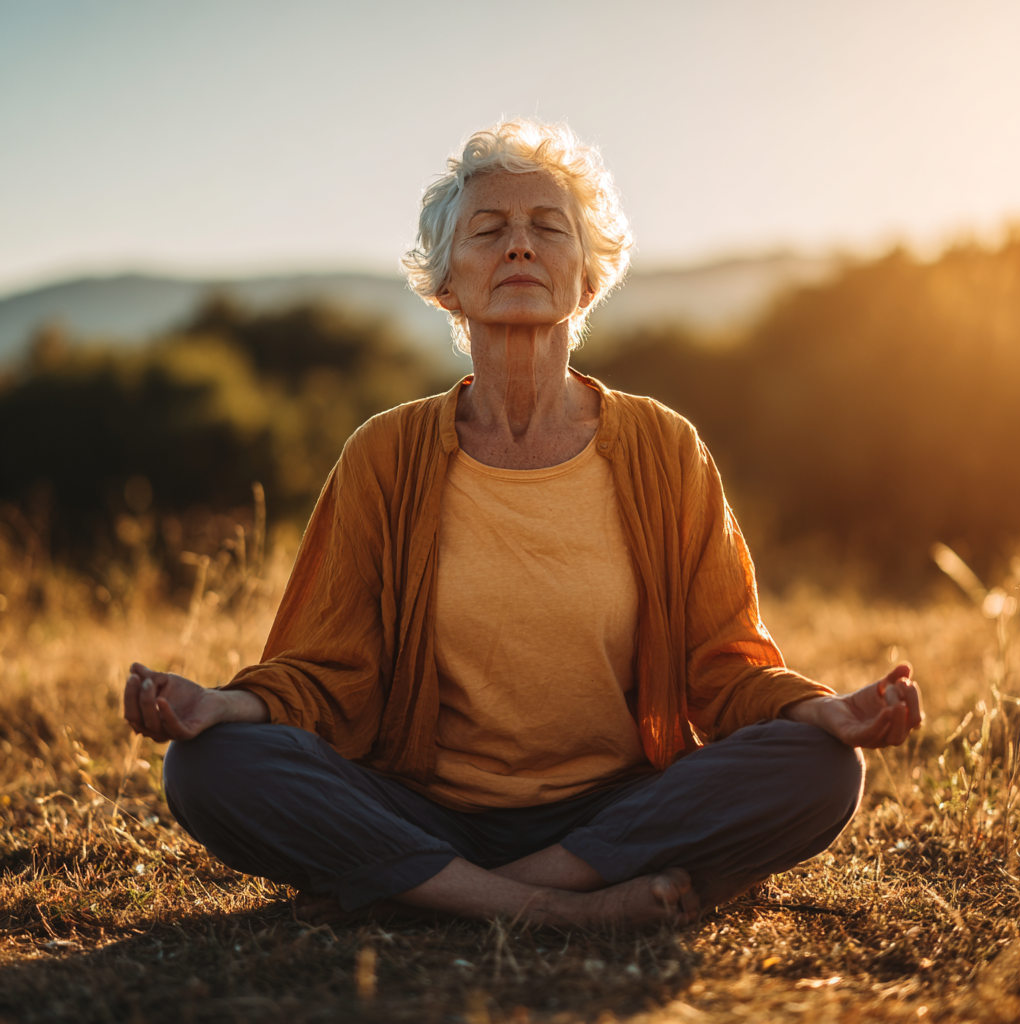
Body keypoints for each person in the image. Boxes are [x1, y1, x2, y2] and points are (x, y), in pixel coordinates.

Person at [122, 120, 922, 929]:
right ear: (446, 285)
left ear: (585, 279)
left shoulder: (662, 447)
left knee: (820, 768)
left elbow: (724, 668)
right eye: (489, 231)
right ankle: (554, 907)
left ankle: (449, 893)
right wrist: (223, 708)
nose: (519, 248)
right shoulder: (385, 453)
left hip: (613, 808)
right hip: (422, 805)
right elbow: (329, 671)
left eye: (548, 228)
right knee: (206, 767)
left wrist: (816, 711)